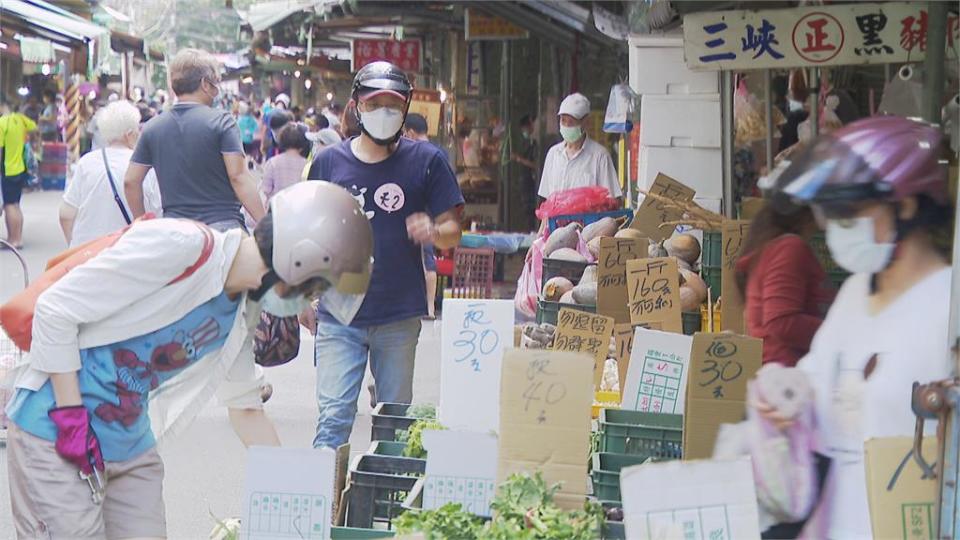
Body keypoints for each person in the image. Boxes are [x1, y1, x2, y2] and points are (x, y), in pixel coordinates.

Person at [4, 181, 373, 538]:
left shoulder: (243, 312)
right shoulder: (179, 246)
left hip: (129, 446)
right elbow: (54, 310)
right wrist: (71, 419)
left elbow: (246, 409)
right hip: (54, 432)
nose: (309, 301)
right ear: (298, 261)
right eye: (315, 288)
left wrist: (299, 491)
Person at [755, 116, 952, 539]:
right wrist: (784, 401)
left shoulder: (947, 308)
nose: (835, 229)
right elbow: (812, 383)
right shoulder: (855, 295)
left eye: (850, 213)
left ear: (906, 207)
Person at [306, 61, 464, 449]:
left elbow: (452, 233)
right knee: (333, 419)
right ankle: (323, 506)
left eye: (393, 104)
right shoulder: (328, 162)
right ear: (357, 106)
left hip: (398, 314)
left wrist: (434, 231)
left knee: (393, 424)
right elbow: (311, 235)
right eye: (374, 103)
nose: (384, 112)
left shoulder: (427, 161)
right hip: (339, 313)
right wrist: (304, 295)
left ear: (406, 107)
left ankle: (384, 505)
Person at [123, 48, 265, 231]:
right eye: (216, 82)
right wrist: (264, 223)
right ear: (205, 84)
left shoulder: (152, 127)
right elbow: (238, 177)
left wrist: (141, 224)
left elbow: (130, 181)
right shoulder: (222, 122)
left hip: (175, 231)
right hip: (222, 230)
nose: (217, 89)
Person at [735, 200, 828, 366]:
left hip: (779, 372)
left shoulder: (770, 247)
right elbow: (781, 322)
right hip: (790, 373)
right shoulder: (789, 247)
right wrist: (838, 331)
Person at [59, 101, 163, 247]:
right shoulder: (144, 167)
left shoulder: (87, 162)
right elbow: (159, 214)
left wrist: (73, 245)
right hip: (131, 251)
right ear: (129, 134)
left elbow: (65, 214)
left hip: (88, 254)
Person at [538, 93, 621, 202]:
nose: (566, 126)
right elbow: (546, 200)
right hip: (556, 219)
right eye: (563, 120)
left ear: (585, 122)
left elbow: (612, 201)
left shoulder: (600, 156)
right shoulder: (553, 154)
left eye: (571, 122)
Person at [0, 100, 38, 249]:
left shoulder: (2, 123)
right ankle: (18, 238)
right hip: (21, 168)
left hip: (8, 169)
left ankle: (13, 239)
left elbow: (0, 150)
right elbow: (34, 127)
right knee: (16, 204)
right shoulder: (20, 119)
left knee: (9, 205)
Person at [260, 123, 309, 202]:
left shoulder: (273, 162)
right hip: (299, 206)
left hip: (277, 206)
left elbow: (266, 189)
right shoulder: (307, 164)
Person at [511, 114, 539, 229]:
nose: (524, 132)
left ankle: (532, 230)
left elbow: (536, 165)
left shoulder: (537, 144)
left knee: (531, 208)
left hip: (532, 182)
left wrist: (519, 159)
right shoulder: (530, 142)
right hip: (526, 182)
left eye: (525, 129)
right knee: (527, 209)